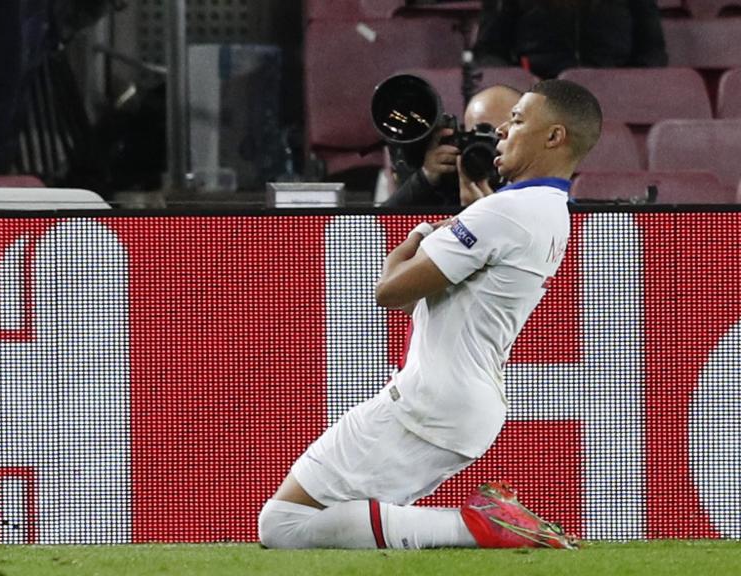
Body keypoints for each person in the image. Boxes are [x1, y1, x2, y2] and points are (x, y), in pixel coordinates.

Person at [258, 78, 603, 550]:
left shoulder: (501, 214)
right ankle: (484, 524)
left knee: (283, 523)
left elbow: (391, 293)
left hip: (430, 402)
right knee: (343, 521)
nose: (502, 130)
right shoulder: (550, 210)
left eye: (518, 120)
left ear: (555, 137)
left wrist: (418, 235)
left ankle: (484, 526)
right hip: (463, 406)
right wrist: (467, 218)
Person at [382, 84, 523, 208]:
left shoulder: (536, 188)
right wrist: (425, 178)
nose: (489, 147)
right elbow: (381, 228)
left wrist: (483, 215)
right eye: (478, 135)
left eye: (501, 135)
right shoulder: (450, 181)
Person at [473, 0, 668, 80]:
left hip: (616, 95)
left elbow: (652, 53)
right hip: (538, 99)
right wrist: (520, 85)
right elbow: (489, 52)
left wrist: (629, 86)